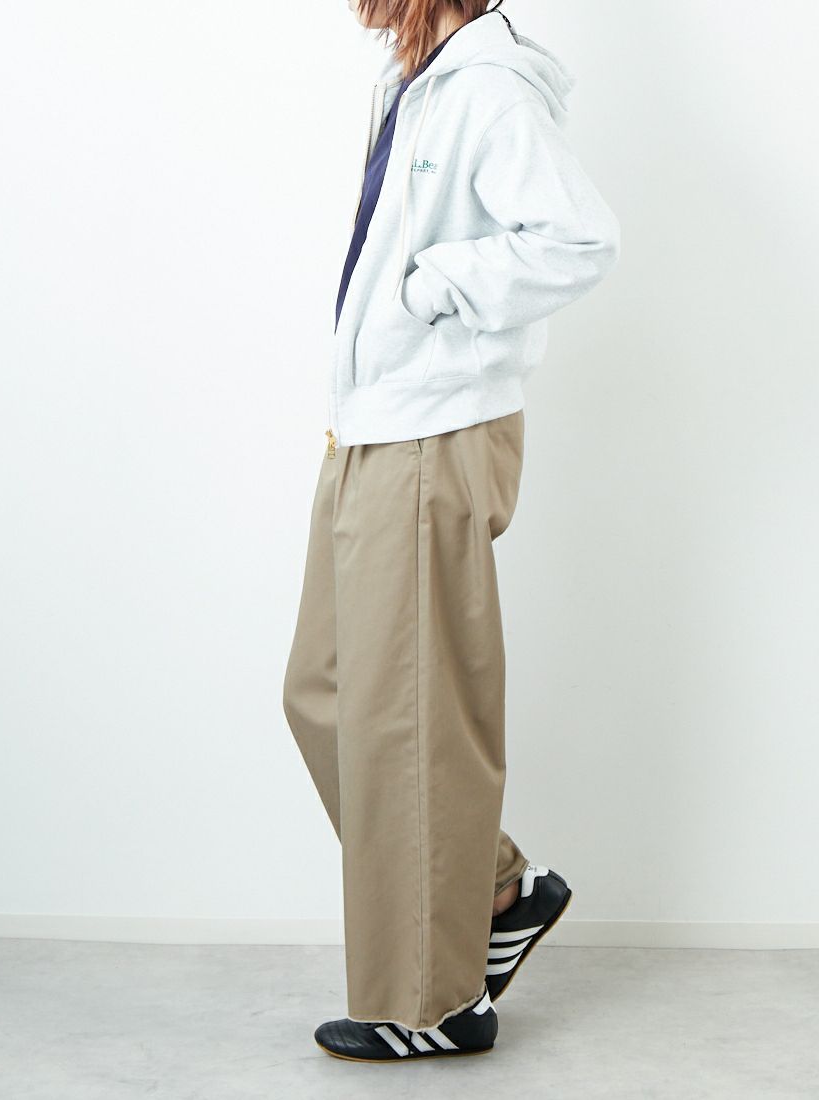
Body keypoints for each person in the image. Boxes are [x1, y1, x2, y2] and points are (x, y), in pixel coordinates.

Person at [282, 0, 620, 1062]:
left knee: (409, 719)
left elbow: (578, 238)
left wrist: (434, 288)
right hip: (373, 424)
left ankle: (432, 1002)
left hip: (435, 429)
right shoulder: (412, 83)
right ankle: (498, 889)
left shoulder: (489, 90)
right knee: (324, 692)